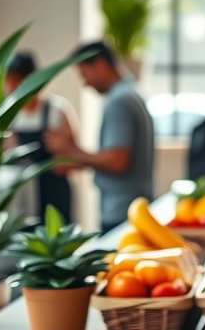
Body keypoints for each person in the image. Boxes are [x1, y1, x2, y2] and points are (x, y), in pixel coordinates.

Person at [44, 42, 154, 233]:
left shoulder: (119, 100)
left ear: (100, 65)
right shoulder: (131, 92)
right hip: (132, 207)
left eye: (84, 74)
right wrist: (76, 160)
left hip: (122, 211)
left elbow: (117, 161)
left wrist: (72, 151)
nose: (84, 83)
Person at [3, 52, 78, 223]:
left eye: (16, 81)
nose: (10, 88)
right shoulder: (6, 116)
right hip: (21, 202)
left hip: (53, 198)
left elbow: (75, 160)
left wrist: (62, 157)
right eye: (8, 82)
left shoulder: (57, 111)